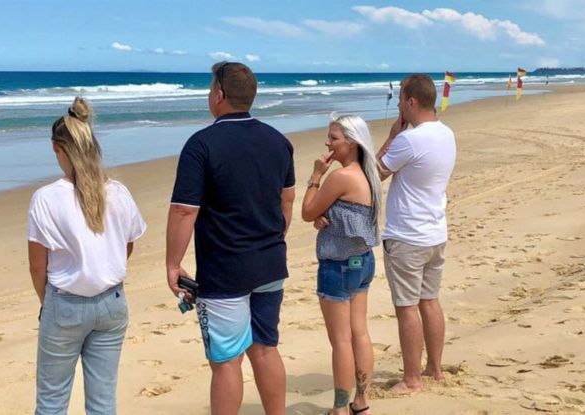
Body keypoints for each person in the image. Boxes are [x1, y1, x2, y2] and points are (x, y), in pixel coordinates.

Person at [166, 62, 295, 415]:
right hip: (270, 263)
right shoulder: (278, 141)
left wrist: (173, 263)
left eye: (211, 89)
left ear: (220, 95)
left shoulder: (201, 144)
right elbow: (286, 201)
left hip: (225, 270)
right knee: (265, 348)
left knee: (226, 361)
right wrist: (274, 238)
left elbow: (184, 211)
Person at [28, 97, 146, 414]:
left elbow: (38, 267)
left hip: (65, 302)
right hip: (111, 302)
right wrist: (105, 267)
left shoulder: (46, 198)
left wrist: (46, 303)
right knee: (102, 402)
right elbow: (127, 245)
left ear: (57, 148)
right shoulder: (118, 192)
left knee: (51, 402)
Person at [376, 74, 456, 394]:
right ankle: (434, 368)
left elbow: (375, 173)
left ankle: (412, 379)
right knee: (429, 301)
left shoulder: (410, 140)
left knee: (407, 307)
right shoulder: (446, 133)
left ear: (411, 101)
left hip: (408, 235)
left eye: (400, 100)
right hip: (434, 232)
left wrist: (391, 137)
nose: (398, 106)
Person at [302, 114, 380, 415]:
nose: (328, 143)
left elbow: (307, 211)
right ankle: (361, 402)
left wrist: (316, 176)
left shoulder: (341, 176)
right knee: (359, 332)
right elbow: (345, 217)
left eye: (334, 138)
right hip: (362, 261)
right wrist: (325, 218)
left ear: (352, 142)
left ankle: (339, 409)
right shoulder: (368, 174)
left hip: (338, 265)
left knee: (341, 340)